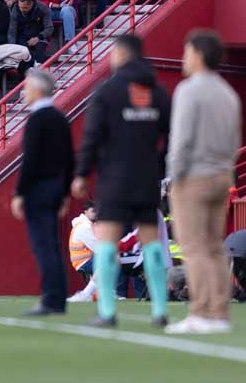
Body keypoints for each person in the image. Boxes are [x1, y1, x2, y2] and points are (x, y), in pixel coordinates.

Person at [71, 34, 171, 329]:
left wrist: (81, 172)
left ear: (121, 54)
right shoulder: (158, 91)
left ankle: (107, 311)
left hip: (114, 177)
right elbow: (172, 134)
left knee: (107, 243)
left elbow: (92, 136)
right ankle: (160, 310)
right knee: (152, 244)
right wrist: (159, 165)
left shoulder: (108, 91)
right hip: (147, 177)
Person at [164, 30, 241, 334]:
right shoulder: (228, 92)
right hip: (222, 174)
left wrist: (174, 176)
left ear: (197, 54)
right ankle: (219, 312)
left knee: (193, 246)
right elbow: (235, 139)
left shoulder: (188, 90)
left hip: (193, 174)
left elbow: (180, 138)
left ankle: (200, 312)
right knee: (214, 246)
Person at [9, 69, 76, 316]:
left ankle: (51, 298)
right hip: (56, 186)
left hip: (38, 188)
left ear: (37, 90)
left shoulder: (36, 120)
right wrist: (66, 192)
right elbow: (70, 157)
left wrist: (19, 192)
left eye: (26, 88)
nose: (24, 93)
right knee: (53, 245)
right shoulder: (60, 117)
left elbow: (31, 161)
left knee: (43, 245)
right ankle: (57, 298)